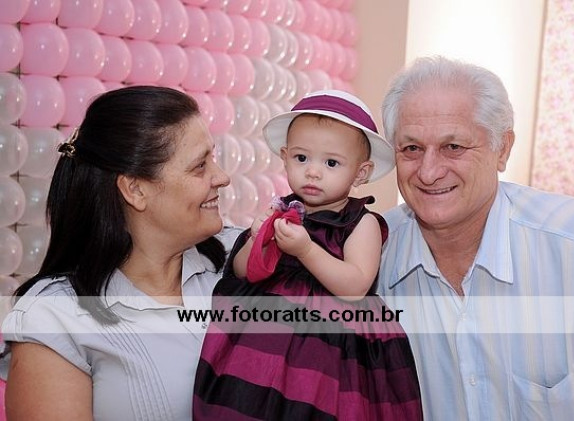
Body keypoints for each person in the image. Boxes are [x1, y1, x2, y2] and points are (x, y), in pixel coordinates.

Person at [0, 86, 242, 420]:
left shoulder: (242, 258)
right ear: (135, 189)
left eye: (213, 159)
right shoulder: (57, 317)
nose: (222, 177)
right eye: (200, 165)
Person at [193, 90, 422, 420]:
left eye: (331, 163)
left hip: (333, 349)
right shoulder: (280, 212)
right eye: (302, 158)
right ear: (285, 157)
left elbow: (355, 286)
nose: (313, 172)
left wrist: (305, 250)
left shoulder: (361, 223)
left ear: (360, 173)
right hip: (262, 342)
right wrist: (257, 240)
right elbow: (241, 273)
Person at [378, 55, 574, 420]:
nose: (428, 172)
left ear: (502, 149)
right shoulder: (368, 261)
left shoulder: (572, 248)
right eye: (411, 149)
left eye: (453, 147)